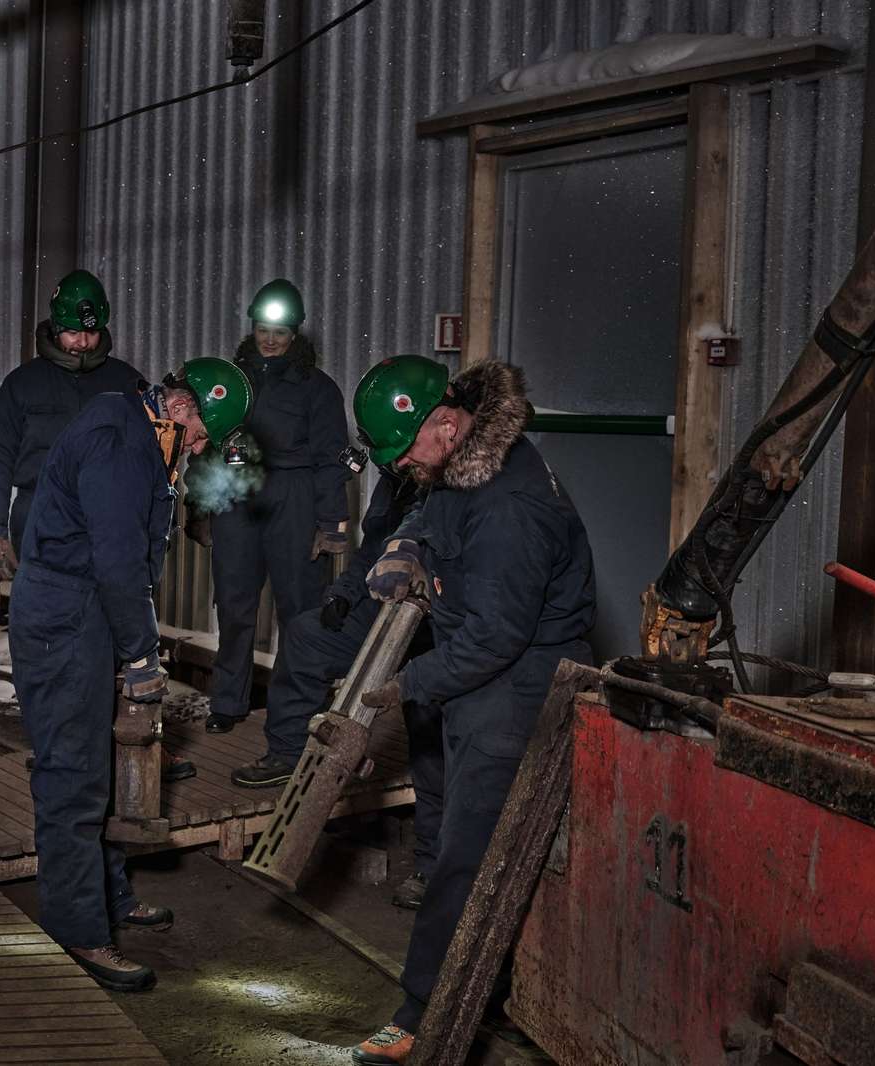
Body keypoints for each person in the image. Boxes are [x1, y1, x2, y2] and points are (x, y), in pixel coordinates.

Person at [344, 358, 594, 1066]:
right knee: (459, 835)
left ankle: (425, 1010)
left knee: (467, 858)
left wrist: (404, 685)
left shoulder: (510, 507)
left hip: (515, 685)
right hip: (478, 674)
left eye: (406, 453)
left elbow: (495, 637)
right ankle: (498, 993)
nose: (406, 468)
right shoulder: (466, 462)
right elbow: (434, 507)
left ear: (446, 424)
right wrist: (406, 545)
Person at [11, 357, 250, 994]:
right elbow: (118, 561)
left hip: (88, 613)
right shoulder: (119, 442)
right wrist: (143, 653)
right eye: (200, 435)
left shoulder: (137, 432)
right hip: (67, 618)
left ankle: (109, 899)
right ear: (178, 409)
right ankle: (78, 931)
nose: (198, 449)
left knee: (107, 771)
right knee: (72, 778)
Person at [227, 385, 445, 909]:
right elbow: (374, 547)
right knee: (305, 635)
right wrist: (344, 594)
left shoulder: (457, 481)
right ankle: (286, 755)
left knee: (431, 731)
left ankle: (433, 864)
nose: (399, 463)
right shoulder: (394, 480)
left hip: (438, 622)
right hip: (382, 603)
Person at [203, 279, 352, 736]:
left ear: (296, 335)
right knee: (233, 604)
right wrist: (203, 505)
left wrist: (330, 523)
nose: (270, 339)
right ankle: (228, 702)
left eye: (281, 332)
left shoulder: (317, 388)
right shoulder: (229, 381)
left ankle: (295, 707)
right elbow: (207, 444)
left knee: (299, 607)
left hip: (295, 497)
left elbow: (331, 458)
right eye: (264, 328)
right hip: (240, 496)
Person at [0, 269, 142, 601]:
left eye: (91, 332)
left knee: (102, 618)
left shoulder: (127, 384)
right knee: (45, 619)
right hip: (38, 515)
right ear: (54, 327)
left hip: (106, 518)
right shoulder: (22, 384)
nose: (82, 342)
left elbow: (150, 461)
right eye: (72, 333)